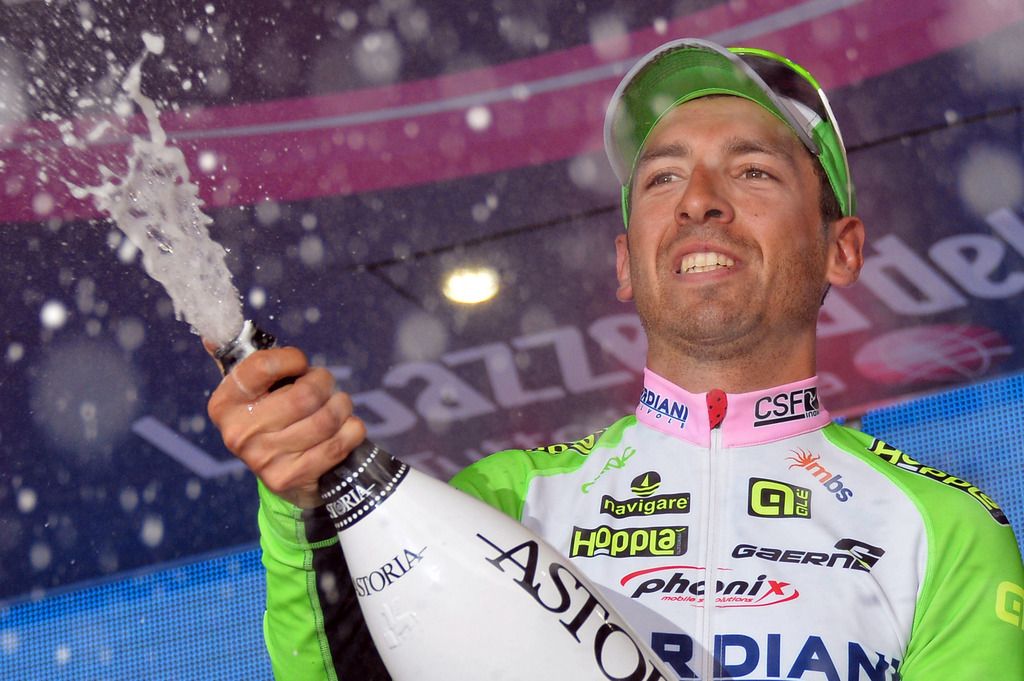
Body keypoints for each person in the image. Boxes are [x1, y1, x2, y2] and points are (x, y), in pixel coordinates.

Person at [207, 39, 1024, 680]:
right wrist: (306, 505)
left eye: (752, 169)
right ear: (628, 262)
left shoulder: (943, 533)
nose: (700, 199)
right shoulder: (509, 498)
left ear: (840, 250)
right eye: (663, 177)